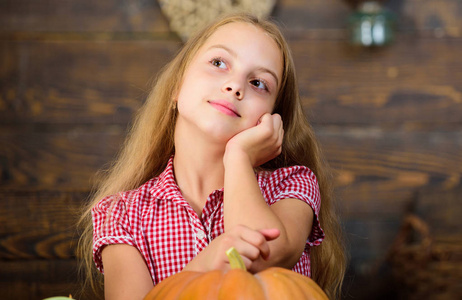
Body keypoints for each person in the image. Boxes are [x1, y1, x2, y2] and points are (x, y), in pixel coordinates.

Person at [78, 12, 346, 300]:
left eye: (259, 83)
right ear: (176, 87)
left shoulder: (291, 185)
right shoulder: (122, 214)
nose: (235, 86)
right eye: (219, 63)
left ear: (271, 119)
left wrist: (238, 157)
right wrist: (204, 265)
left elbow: (263, 258)